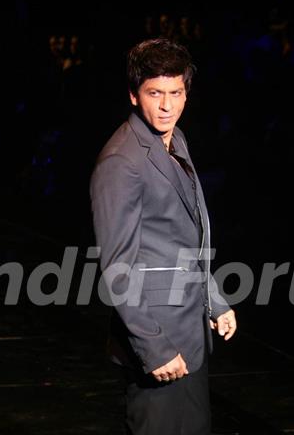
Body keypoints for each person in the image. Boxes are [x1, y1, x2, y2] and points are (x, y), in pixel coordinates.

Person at [90, 38, 237, 434]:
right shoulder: (123, 160)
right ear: (135, 96)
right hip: (157, 343)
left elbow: (185, 240)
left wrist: (214, 300)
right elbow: (118, 267)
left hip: (189, 334)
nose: (167, 105)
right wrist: (153, 349)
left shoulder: (175, 139)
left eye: (176, 93)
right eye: (155, 93)